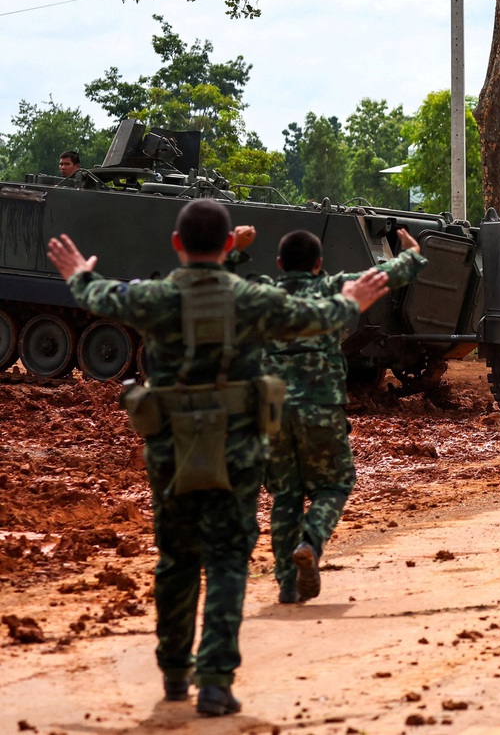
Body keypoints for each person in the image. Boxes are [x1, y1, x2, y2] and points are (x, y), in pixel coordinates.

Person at [46, 200, 391, 717]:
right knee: (229, 560)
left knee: (177, 559)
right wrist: (351, 300)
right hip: (238, 450)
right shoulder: (250, 299)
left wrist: (78, 273)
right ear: (230, 245)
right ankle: (215, 683)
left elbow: (97, 295)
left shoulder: (157, 297)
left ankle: (174, 674)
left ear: (177, 244)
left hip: (172, 450)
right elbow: (315, 318)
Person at [252, 227, 427, 604]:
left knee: (285, 496)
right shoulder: (332, 287)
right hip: (320, 406)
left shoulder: (266, 295)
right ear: (319, 264)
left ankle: (287, 585)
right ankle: (311, 542)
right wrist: (411, 255)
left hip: (273, 411)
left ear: (280, 264)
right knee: (335, 484)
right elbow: (383, 277)